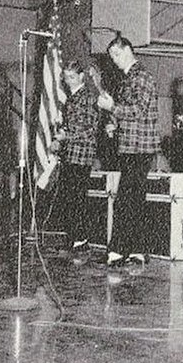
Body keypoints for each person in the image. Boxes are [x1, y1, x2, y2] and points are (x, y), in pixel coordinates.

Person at [96, 35, 160, 266]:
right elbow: (130, 112)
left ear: (128, 51)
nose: (114, 60)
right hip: (133, 145)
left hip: (139, 147)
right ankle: (138, 249)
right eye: (111, 56)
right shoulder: (129, 77)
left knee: (126, 198)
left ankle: (118, 250)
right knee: (134, 198)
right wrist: (115, 123)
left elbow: (139, 110)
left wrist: (112, 107)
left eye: (116, 54)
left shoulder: (140, 75)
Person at [51, 60, 100, 263]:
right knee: (69, 197)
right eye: (66, 77)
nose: (68, 81)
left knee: (76, 197)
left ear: (81, 76)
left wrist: (66, 136)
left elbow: (90, 129)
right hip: (71, 153)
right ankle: (74, 238)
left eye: (72, 77)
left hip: (82, 154)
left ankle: (80, 239)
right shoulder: (72, 98)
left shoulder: (87, 97)